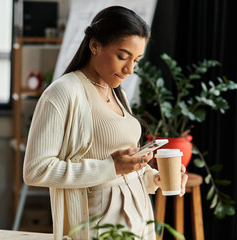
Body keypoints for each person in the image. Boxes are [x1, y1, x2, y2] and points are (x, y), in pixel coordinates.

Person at [23, 6, 188, 240]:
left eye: (136, 60)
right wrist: (110, 168)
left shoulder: (115, 92)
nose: (130, 69)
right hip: (99, 224)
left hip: (139, 219)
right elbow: (35, 171)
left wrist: (154, 178)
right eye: (122, 56)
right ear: (95, 46)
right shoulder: (62, 93)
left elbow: (123, 170)